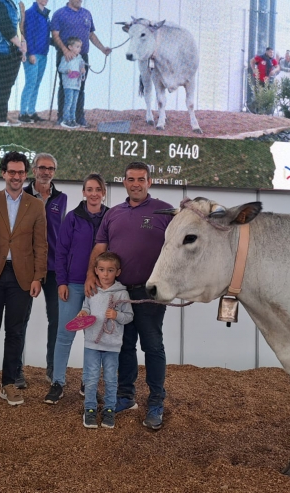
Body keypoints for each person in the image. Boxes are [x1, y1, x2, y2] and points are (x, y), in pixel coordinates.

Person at [85, 162, 173, 430]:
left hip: (149, 293)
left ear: (150, 182)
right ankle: (126, 396)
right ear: (124, 182)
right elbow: (100, 247)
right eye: (131, 179)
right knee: (124, 346)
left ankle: (156, 401)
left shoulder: (164, 211)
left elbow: (178, 249)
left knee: (152, 346)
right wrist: (91, 274)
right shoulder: (113, 214)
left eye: (141, 179)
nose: (136, 183)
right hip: (119, 293)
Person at [0, 151, 48, 409]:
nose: (16, 176)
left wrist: (38, 277)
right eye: (12, 172)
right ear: (3, 173)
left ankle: (9, 384)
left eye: (21, 172)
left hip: (22, 278)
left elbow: (41, 245)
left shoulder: (36, 205)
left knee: (15, 332)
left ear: (26, 174)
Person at [44, 173, 108, 404]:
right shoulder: (71, 218)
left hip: (100, 288)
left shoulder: (111, 217)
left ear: (103, 192)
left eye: (97, 189)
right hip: (72, 284)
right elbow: (60, 252)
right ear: (83, 192)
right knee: (65, 334)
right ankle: (57, 383)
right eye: (89, 189)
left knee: (93, 337)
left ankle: (87, 383)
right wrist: (61, 282)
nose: (93, 193)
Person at [15, 153, 67, 388]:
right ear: (34, 170)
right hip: (27, 267)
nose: (46, 172)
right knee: (20, 319)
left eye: (51, 169)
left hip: (55, 268)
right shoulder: (21, 195)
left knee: (56, 320)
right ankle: (15, 371)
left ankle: (53, 369)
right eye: (42, 168)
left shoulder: (61, 198)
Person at [75, 251, 133, 429]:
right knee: (90, 378)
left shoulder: (122, 294)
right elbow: (85, 307)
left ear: (118, 272)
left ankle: (109, 410)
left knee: (110, 379)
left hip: (112, 345)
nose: (105, 274)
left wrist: (117, 315)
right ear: (96, 271)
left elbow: (129, 316)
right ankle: (90, 410)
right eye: (101, 269)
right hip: (92, 343)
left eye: (110, 270)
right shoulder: (92, 290)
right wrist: (83, 313)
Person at [50, 0, 112, 127]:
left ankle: (78, 117)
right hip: (65, 56)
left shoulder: (87, 14)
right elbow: (55, 35)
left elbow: (91, 35)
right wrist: (65, 50)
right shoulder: (59, 14)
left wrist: (102, 49)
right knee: (65, 86)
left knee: (80, 86)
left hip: (82, 57)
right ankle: (62, 117)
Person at [19, 0, 51, 123]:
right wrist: (30, 53)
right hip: (33, 53)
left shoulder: (45, 14)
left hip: (43, 53)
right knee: (30, 83)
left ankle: (31, 111)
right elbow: (28, 34)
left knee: (36, 83)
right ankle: (22, 113)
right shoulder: (31, 13)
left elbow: (44, 34)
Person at [57, 37, 86, 129]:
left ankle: (73, 119)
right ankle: (66, 119)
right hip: (68, 84)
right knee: (68, 102)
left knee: (74, 103)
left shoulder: (80, 59)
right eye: (77, 47)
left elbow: (82, 68)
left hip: (77, 84)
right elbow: (60, 68)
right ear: (70, 47)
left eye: (80, 47)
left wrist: (83, 70)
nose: (79, 49)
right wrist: (67, 70)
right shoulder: (65, 57)